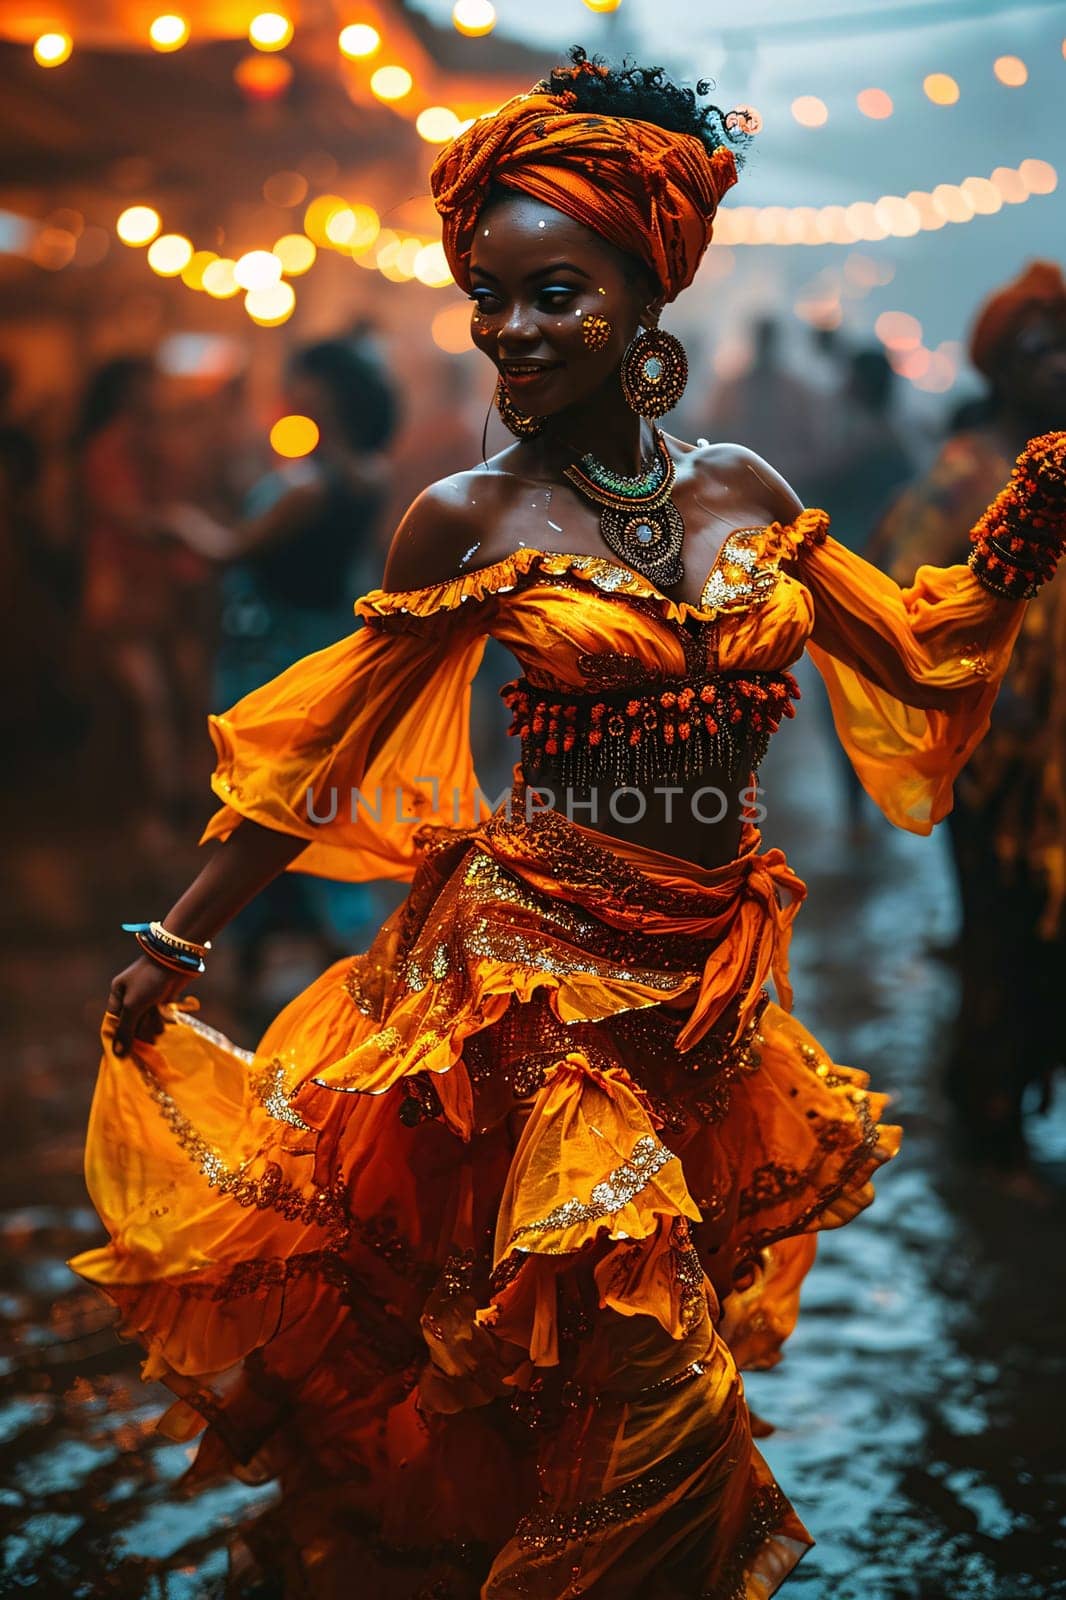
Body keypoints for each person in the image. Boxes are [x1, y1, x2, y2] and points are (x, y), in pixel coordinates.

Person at [73, 52, 1065, 1599]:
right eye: (490, 298)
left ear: (647, 295)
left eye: (552, 295)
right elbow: (313, 749)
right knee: (650, 1361)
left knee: (555, 1378)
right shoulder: (467, 517)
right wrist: (175, 937)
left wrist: (1020, 528)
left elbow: (922, 658)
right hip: (530, 984)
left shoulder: (742, 490)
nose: (510, 333)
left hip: (709, 993)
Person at [874, 261, 1066, 1175]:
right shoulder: (971, 470)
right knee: (999, 934)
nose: (1061, 366)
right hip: (998, 766)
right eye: (1041, 350)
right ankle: (989, 1130)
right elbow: (898, 598)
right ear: (999, 364)